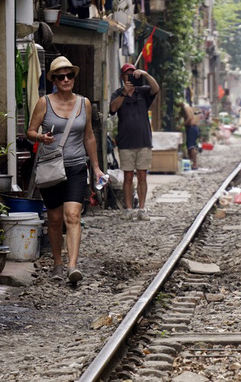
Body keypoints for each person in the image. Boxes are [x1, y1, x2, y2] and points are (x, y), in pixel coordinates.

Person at [27, 56, 104, 283]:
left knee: (73, 215)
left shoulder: (84, 103)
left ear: (74, 77)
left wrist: (97, 167)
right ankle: (57, 264)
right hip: (51, 167)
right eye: (61, 76)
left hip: (76, 166)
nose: (66, 79)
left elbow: (89, 136)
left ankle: (72, 266)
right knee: (54, 218)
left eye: (69, 75)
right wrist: (41, 137)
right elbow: (30, 131)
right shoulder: (44, 103)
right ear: (54, 80)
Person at [109, 63, 160, 221]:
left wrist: (144, 74)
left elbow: (156, 88)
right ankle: (129, 208)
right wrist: (124, 93)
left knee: (143, 175)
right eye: (127, 74)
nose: (130, 77)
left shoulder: (143, 91)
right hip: (126, 142)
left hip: (144, 140)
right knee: (128, 176)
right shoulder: (118, 93)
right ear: (122, 77)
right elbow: (112, 109)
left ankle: (142, 208)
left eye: (132, 74)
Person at [182, 101, 200, 170]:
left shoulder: (185, 107)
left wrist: (181, 125)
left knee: (191, 147)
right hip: (192, 128)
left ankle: (195, 164)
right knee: (190, 147)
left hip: (192, 128)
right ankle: (191, 164)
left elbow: (189, 118)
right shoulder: (187, 106)